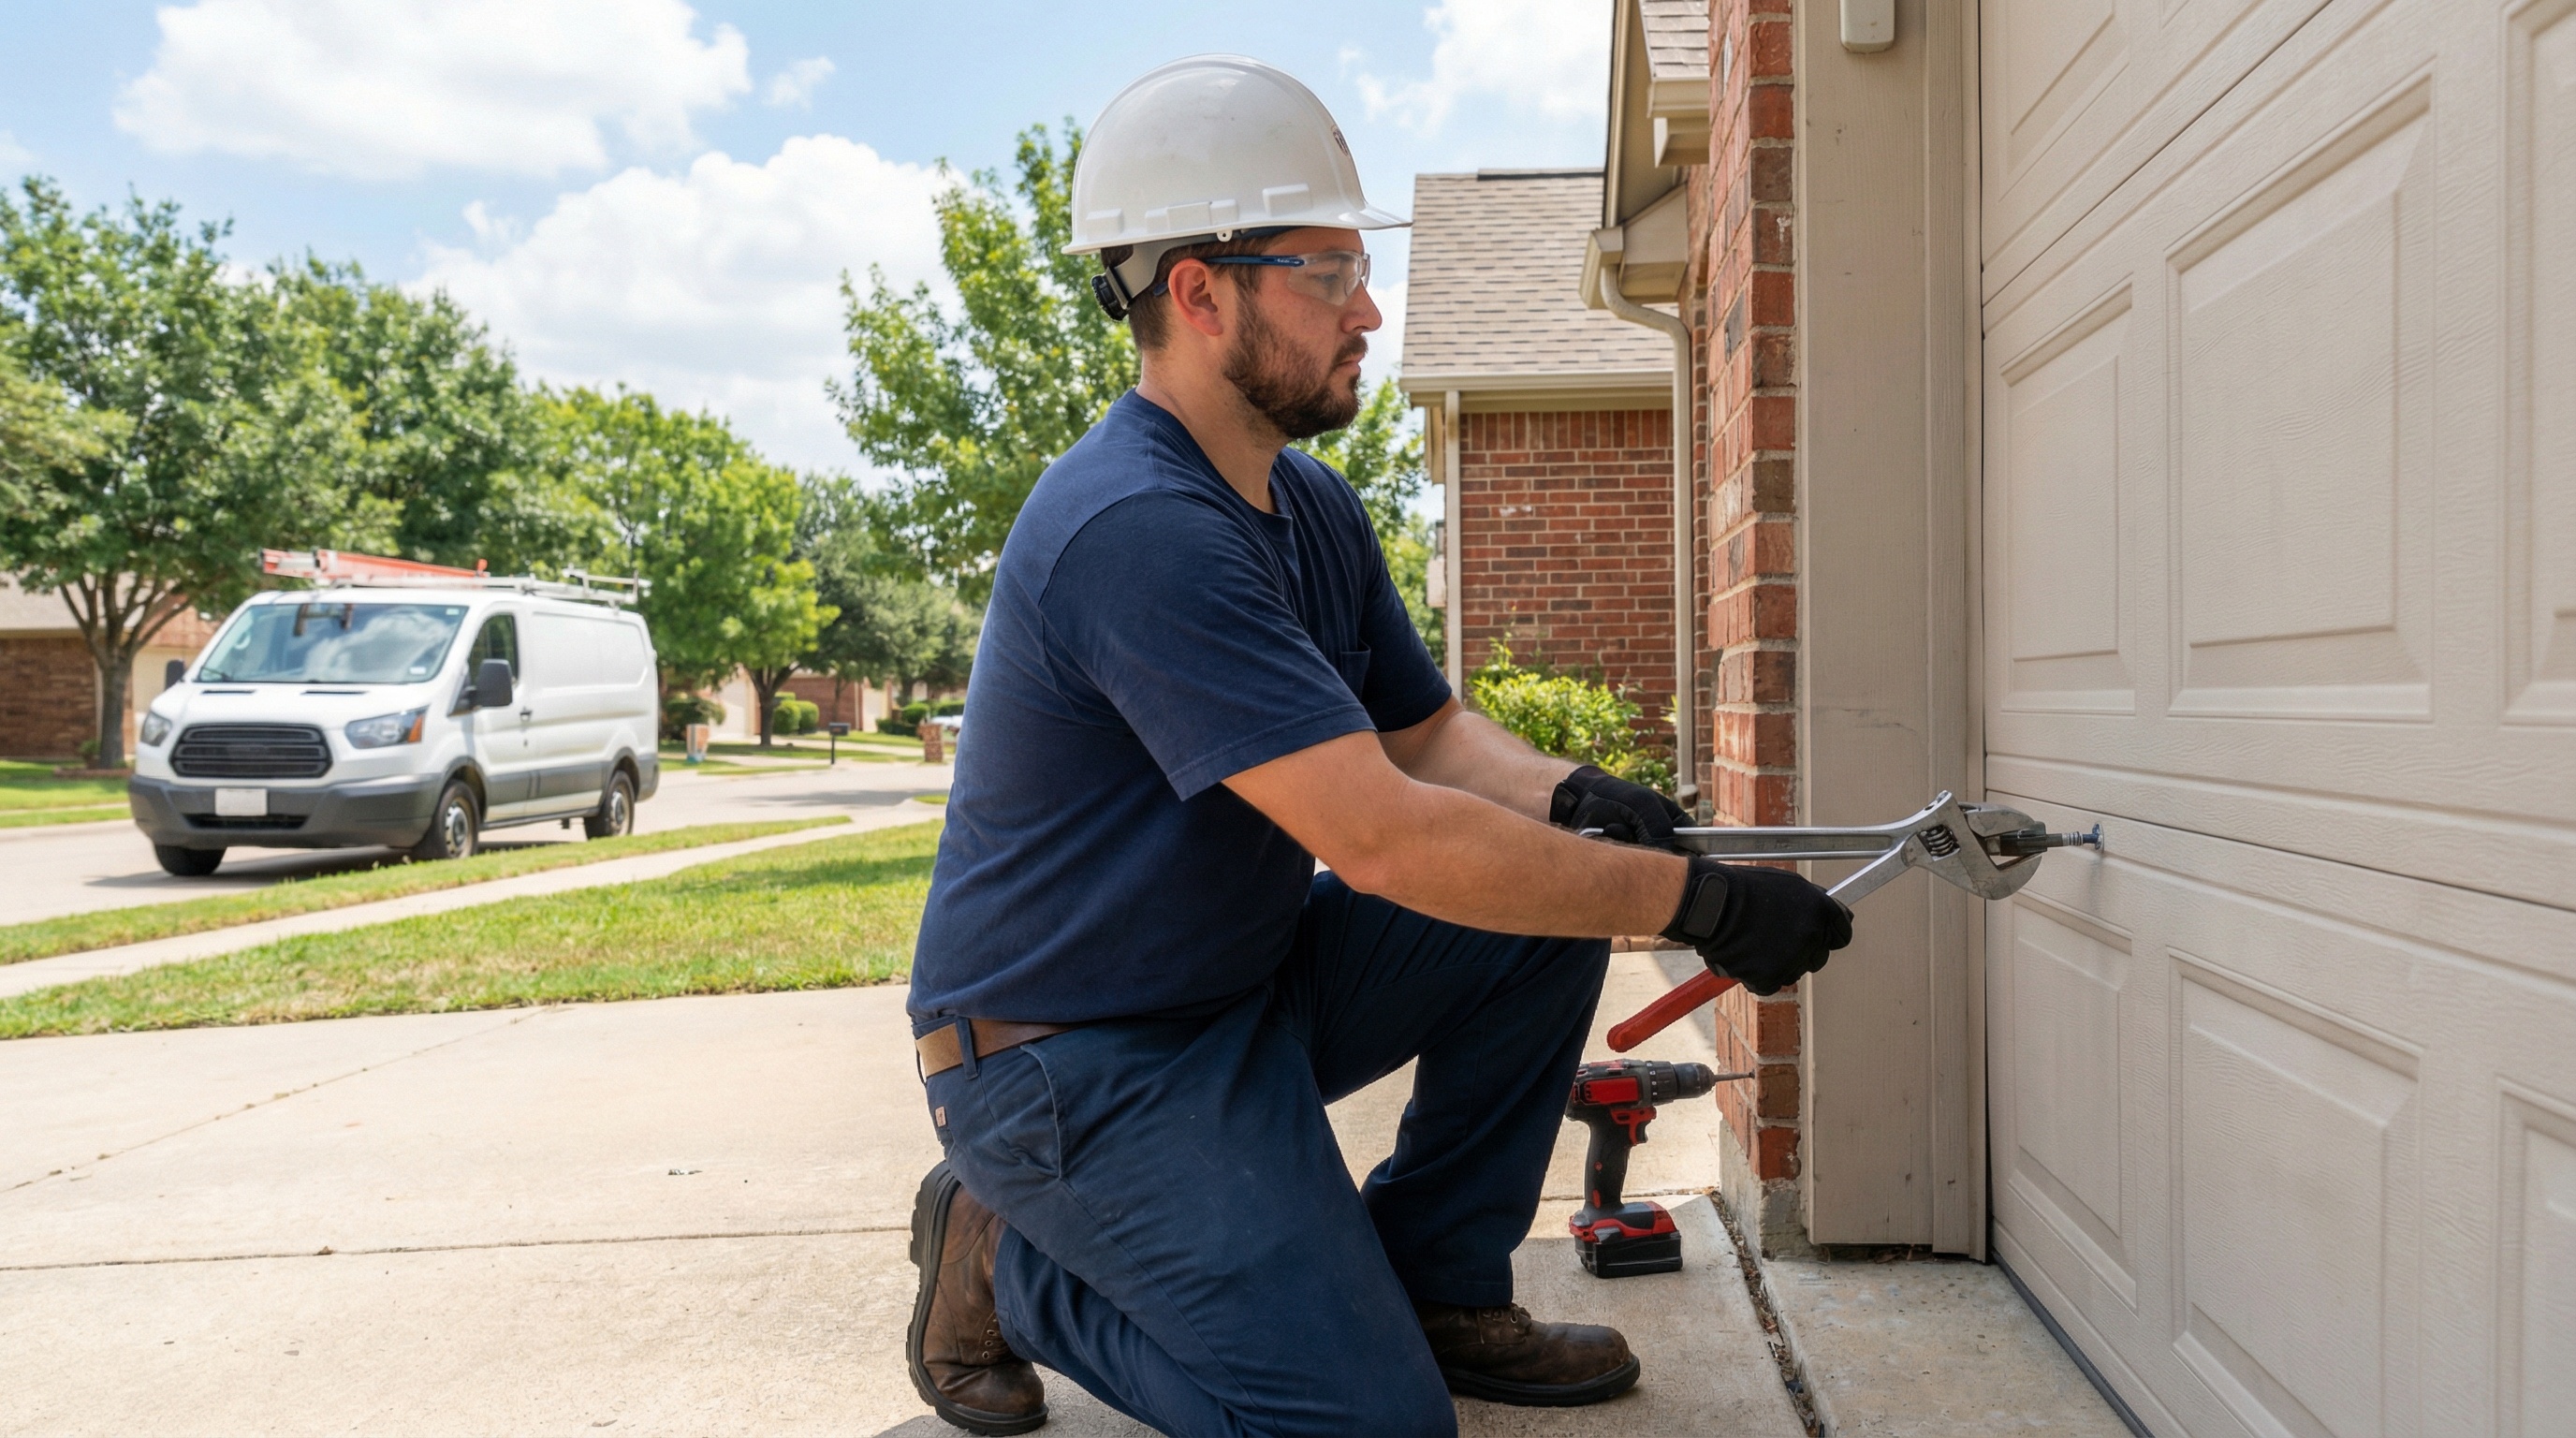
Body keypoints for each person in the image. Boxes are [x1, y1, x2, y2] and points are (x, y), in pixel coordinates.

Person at [903, 55, 1852, 1438]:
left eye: (1361, 270)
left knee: (1546, 886)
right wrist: (1695, 904)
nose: (1371, 309)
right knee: (1365, 1428)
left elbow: (1429, 736)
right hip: (1071, 1059)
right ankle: (1016, 1260)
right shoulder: (1137, 528)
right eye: (1329, 274)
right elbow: (1386, 836)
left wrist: (1577, 795)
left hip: (1239, 991)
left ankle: (1433, 1285)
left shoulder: (1310, 508)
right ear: (1198, 289)